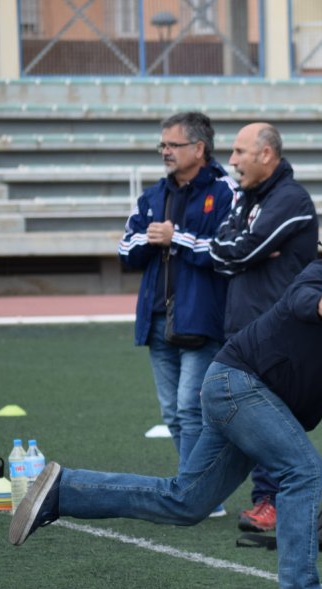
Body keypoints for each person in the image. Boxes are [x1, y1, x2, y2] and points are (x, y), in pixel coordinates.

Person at [11, 233, 322, 589]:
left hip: (253, 398)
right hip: (239, 384)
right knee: (304, 471)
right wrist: (321, 307)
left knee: (186, 501)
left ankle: (62, 490)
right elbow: (300, 298)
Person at [118, 112, 237, 517]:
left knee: (191, 408)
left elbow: (228, 251)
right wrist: (148, 240)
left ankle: (195, 493)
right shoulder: (153, 195)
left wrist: (178, 238)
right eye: (162, 145)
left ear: (199, 149)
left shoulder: (226, 192)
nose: (165, 152)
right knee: (172, 411)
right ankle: (204, 492)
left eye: (173, 145)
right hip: (156, 317)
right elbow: (124, 250)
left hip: (202, 319)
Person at [208, 122, 318, 534]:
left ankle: (271, 500)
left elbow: (241, 250)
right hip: (241, 326)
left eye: (239, 152)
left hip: (276, 330)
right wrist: (243, 250)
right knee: (231, 416)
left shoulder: (291, 199)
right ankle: (207, 492)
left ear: (266, 154)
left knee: (269, 415)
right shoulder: (247, 198)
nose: (232, 161)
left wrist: (243, 250)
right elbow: (222, 252)